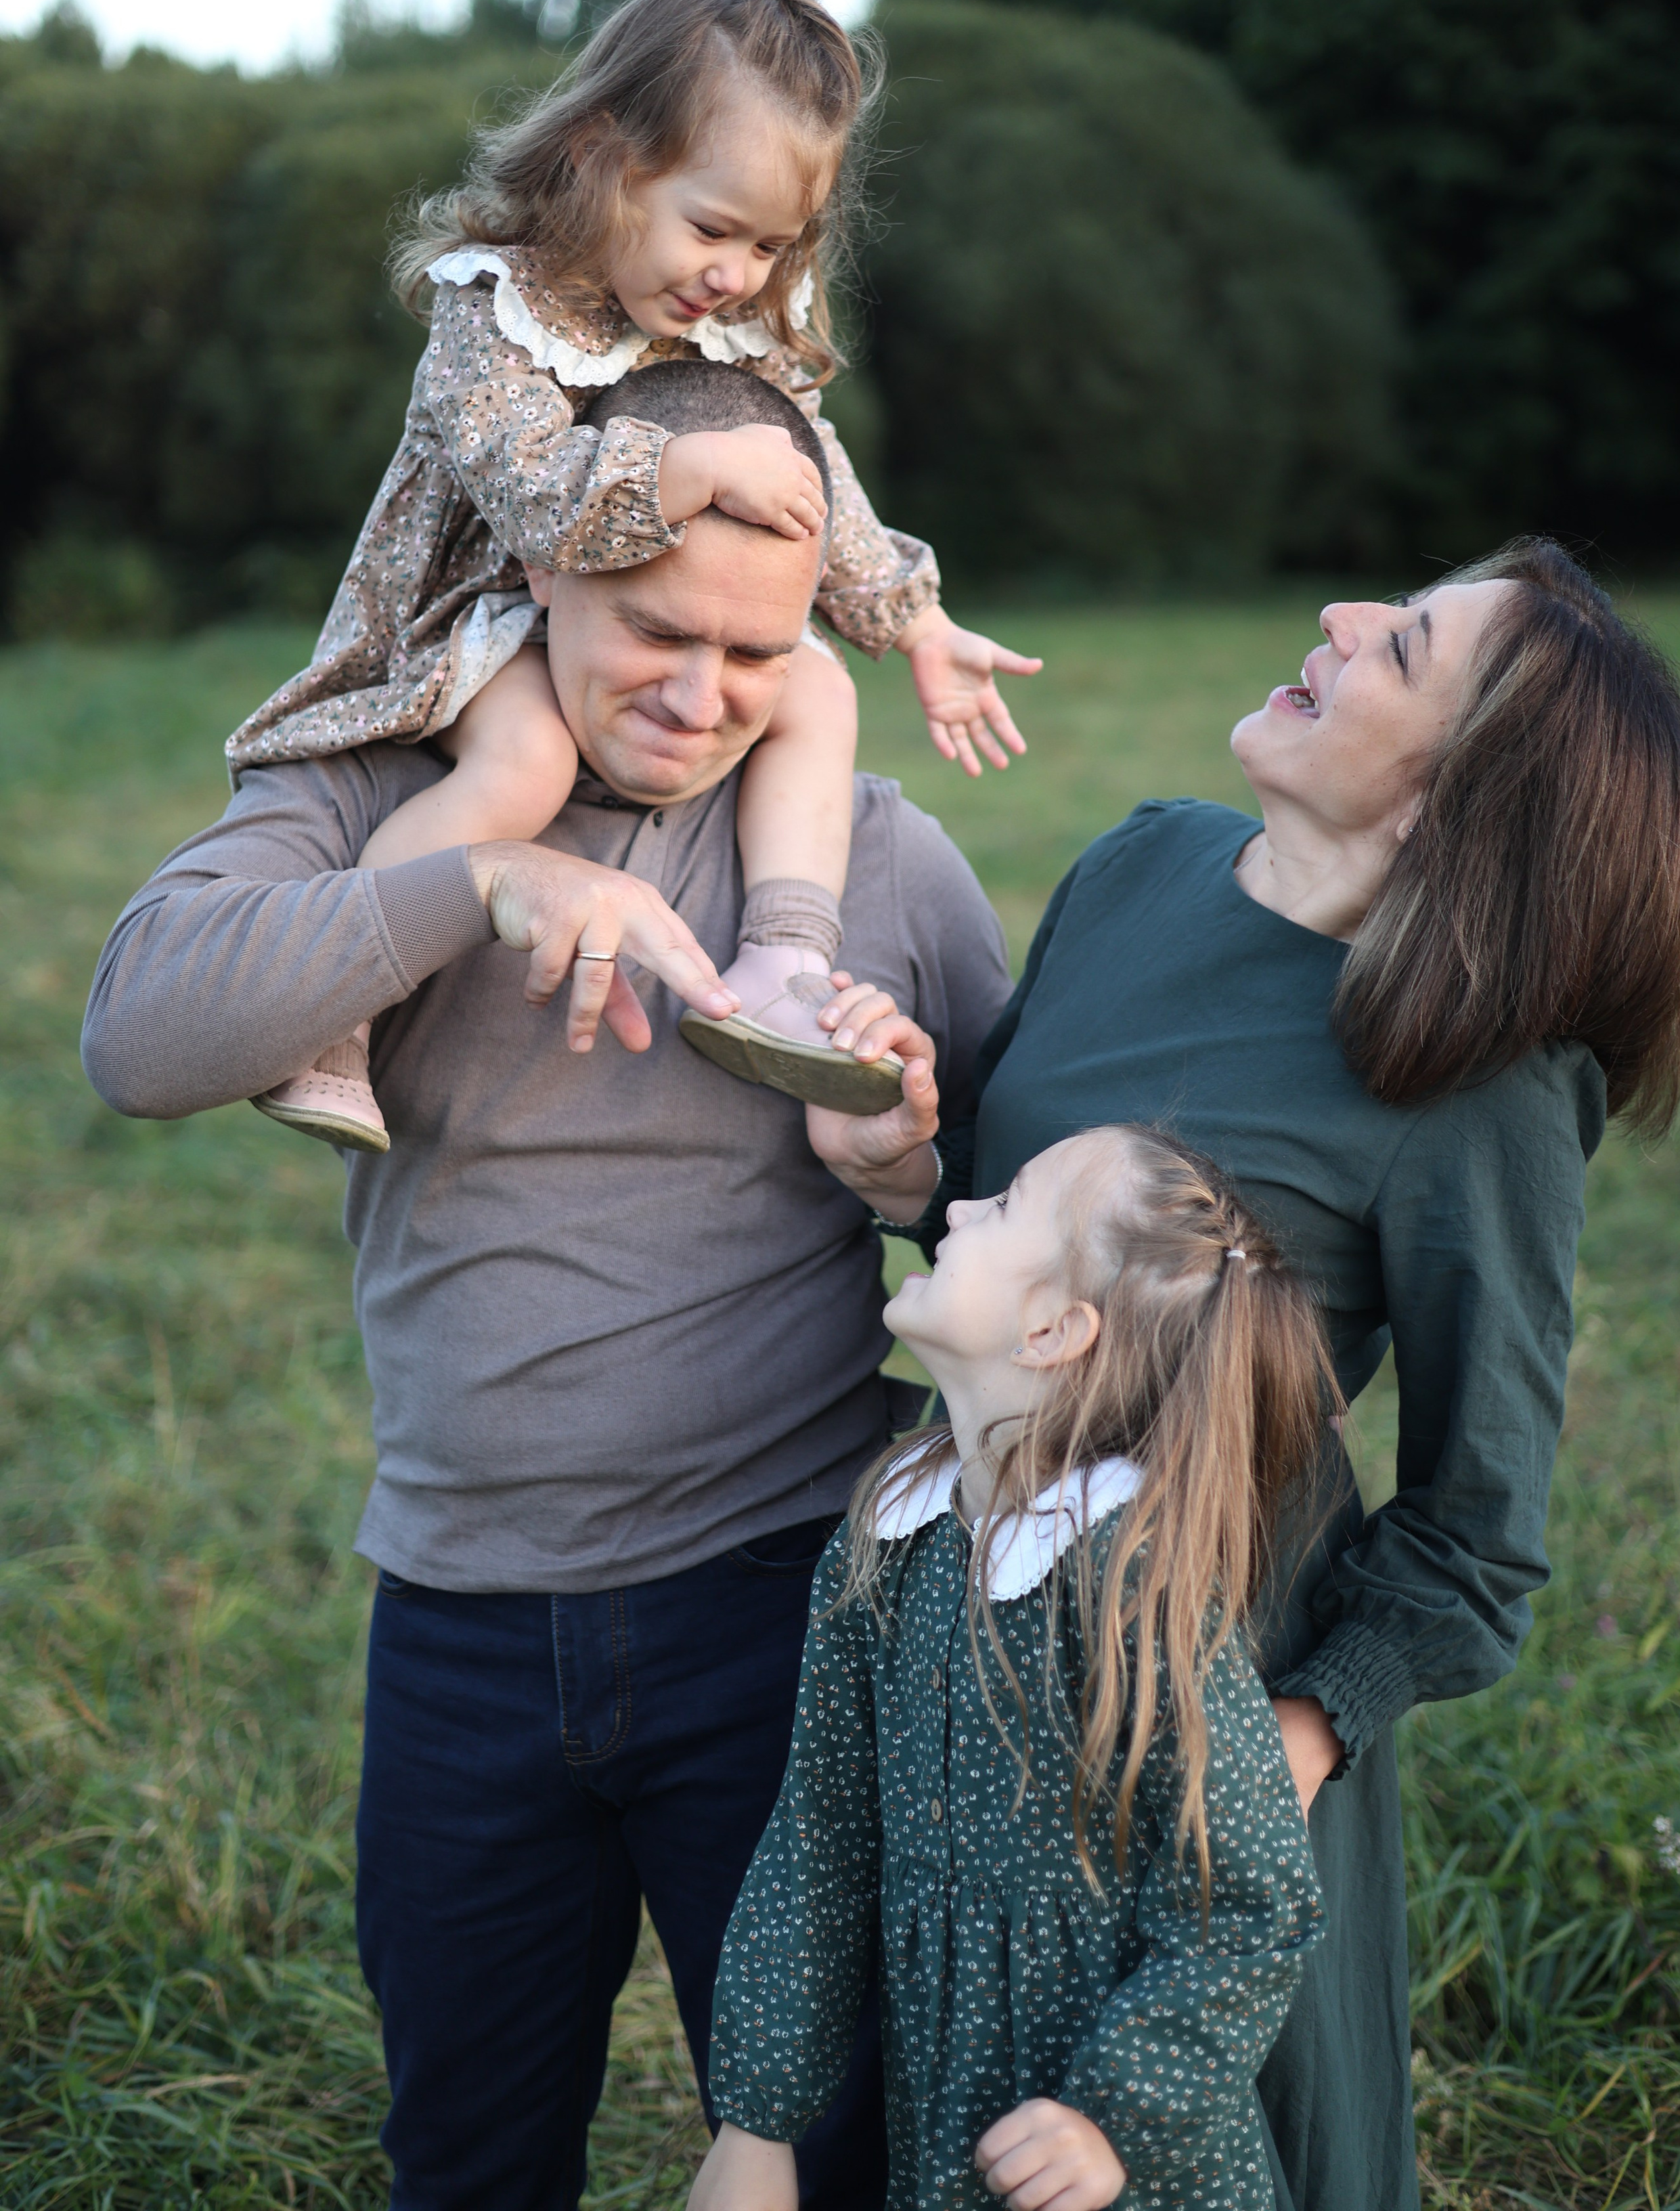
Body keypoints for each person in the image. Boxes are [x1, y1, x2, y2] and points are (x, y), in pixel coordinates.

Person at [81, 405, 1014, 2211]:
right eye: (655, 636)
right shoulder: (375, 800)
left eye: (758, 651)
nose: (703, 693)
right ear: (534, 584)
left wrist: (899, 1167)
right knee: (469, 2143)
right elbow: (137, 1036)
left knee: (827, 2141)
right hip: (458, 1619)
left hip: (783, 1612)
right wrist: (480, 879)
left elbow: (1010, 1207)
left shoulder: (878, 859)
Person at [807, 540, 1680, 2211]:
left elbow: (1472, 1539)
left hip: (1202, 1704)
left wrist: (1261, 1762)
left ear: (1447, 801)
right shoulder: (1140, 865)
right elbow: (1023, 1246)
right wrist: (892, 1172)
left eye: (1400, 644)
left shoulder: (1477, 1092)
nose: (1334, 619)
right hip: (968, 1665)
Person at [225, 0, 1038, 1153]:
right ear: (606, 159)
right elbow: (532, 495)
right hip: (475, 622)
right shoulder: (493, 307)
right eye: (715, 229)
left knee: (812, 689)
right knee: (525, 767)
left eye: (771, 247)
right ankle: (335, 1010)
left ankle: (783, 962)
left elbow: (821, 492)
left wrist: (912, 623)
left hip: (628, 621)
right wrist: (691, 470)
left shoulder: (731, 325)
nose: (737, 275)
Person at [691, 1124, 1338, 2211]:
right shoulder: (891, 1539)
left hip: (1133, 2177)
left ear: (1052, 1331)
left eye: (1004, 1206)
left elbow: (1250, 1904)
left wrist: (1114, 2116)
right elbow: (821, 1838)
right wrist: (756, 2124)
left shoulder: (1128, 1578)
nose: (954, 1211)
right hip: (944, 2131)